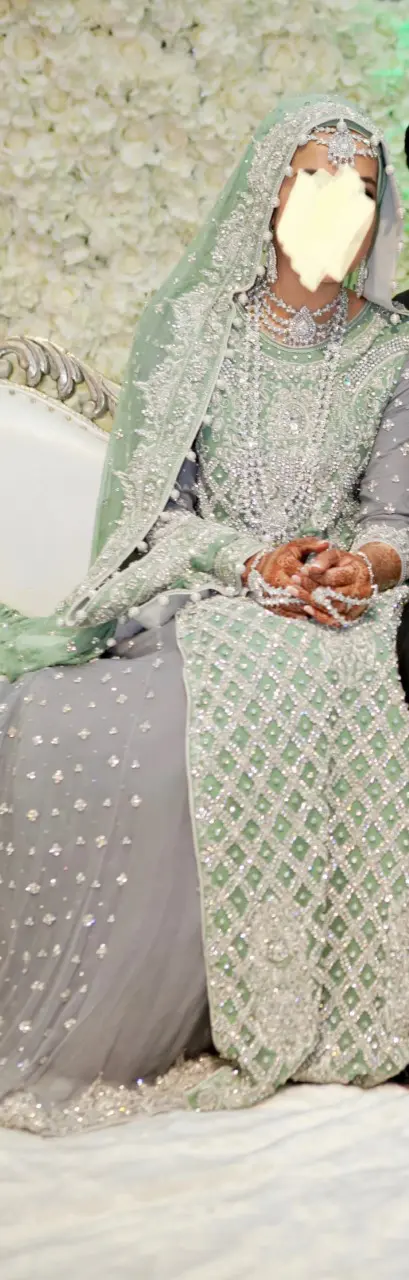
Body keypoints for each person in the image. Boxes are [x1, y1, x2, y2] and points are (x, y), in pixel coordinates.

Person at [2, 93, 409, 1137]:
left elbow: (394, 517)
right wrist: (250, 561)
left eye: (363, 189)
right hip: (208, 592)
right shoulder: (196, 330)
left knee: (330, 692)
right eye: (316, 178)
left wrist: (357, 565)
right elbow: (157, 516)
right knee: (75, 725)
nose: (340, 205)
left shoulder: (391, 351)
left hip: (339, 617)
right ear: (270, 190)